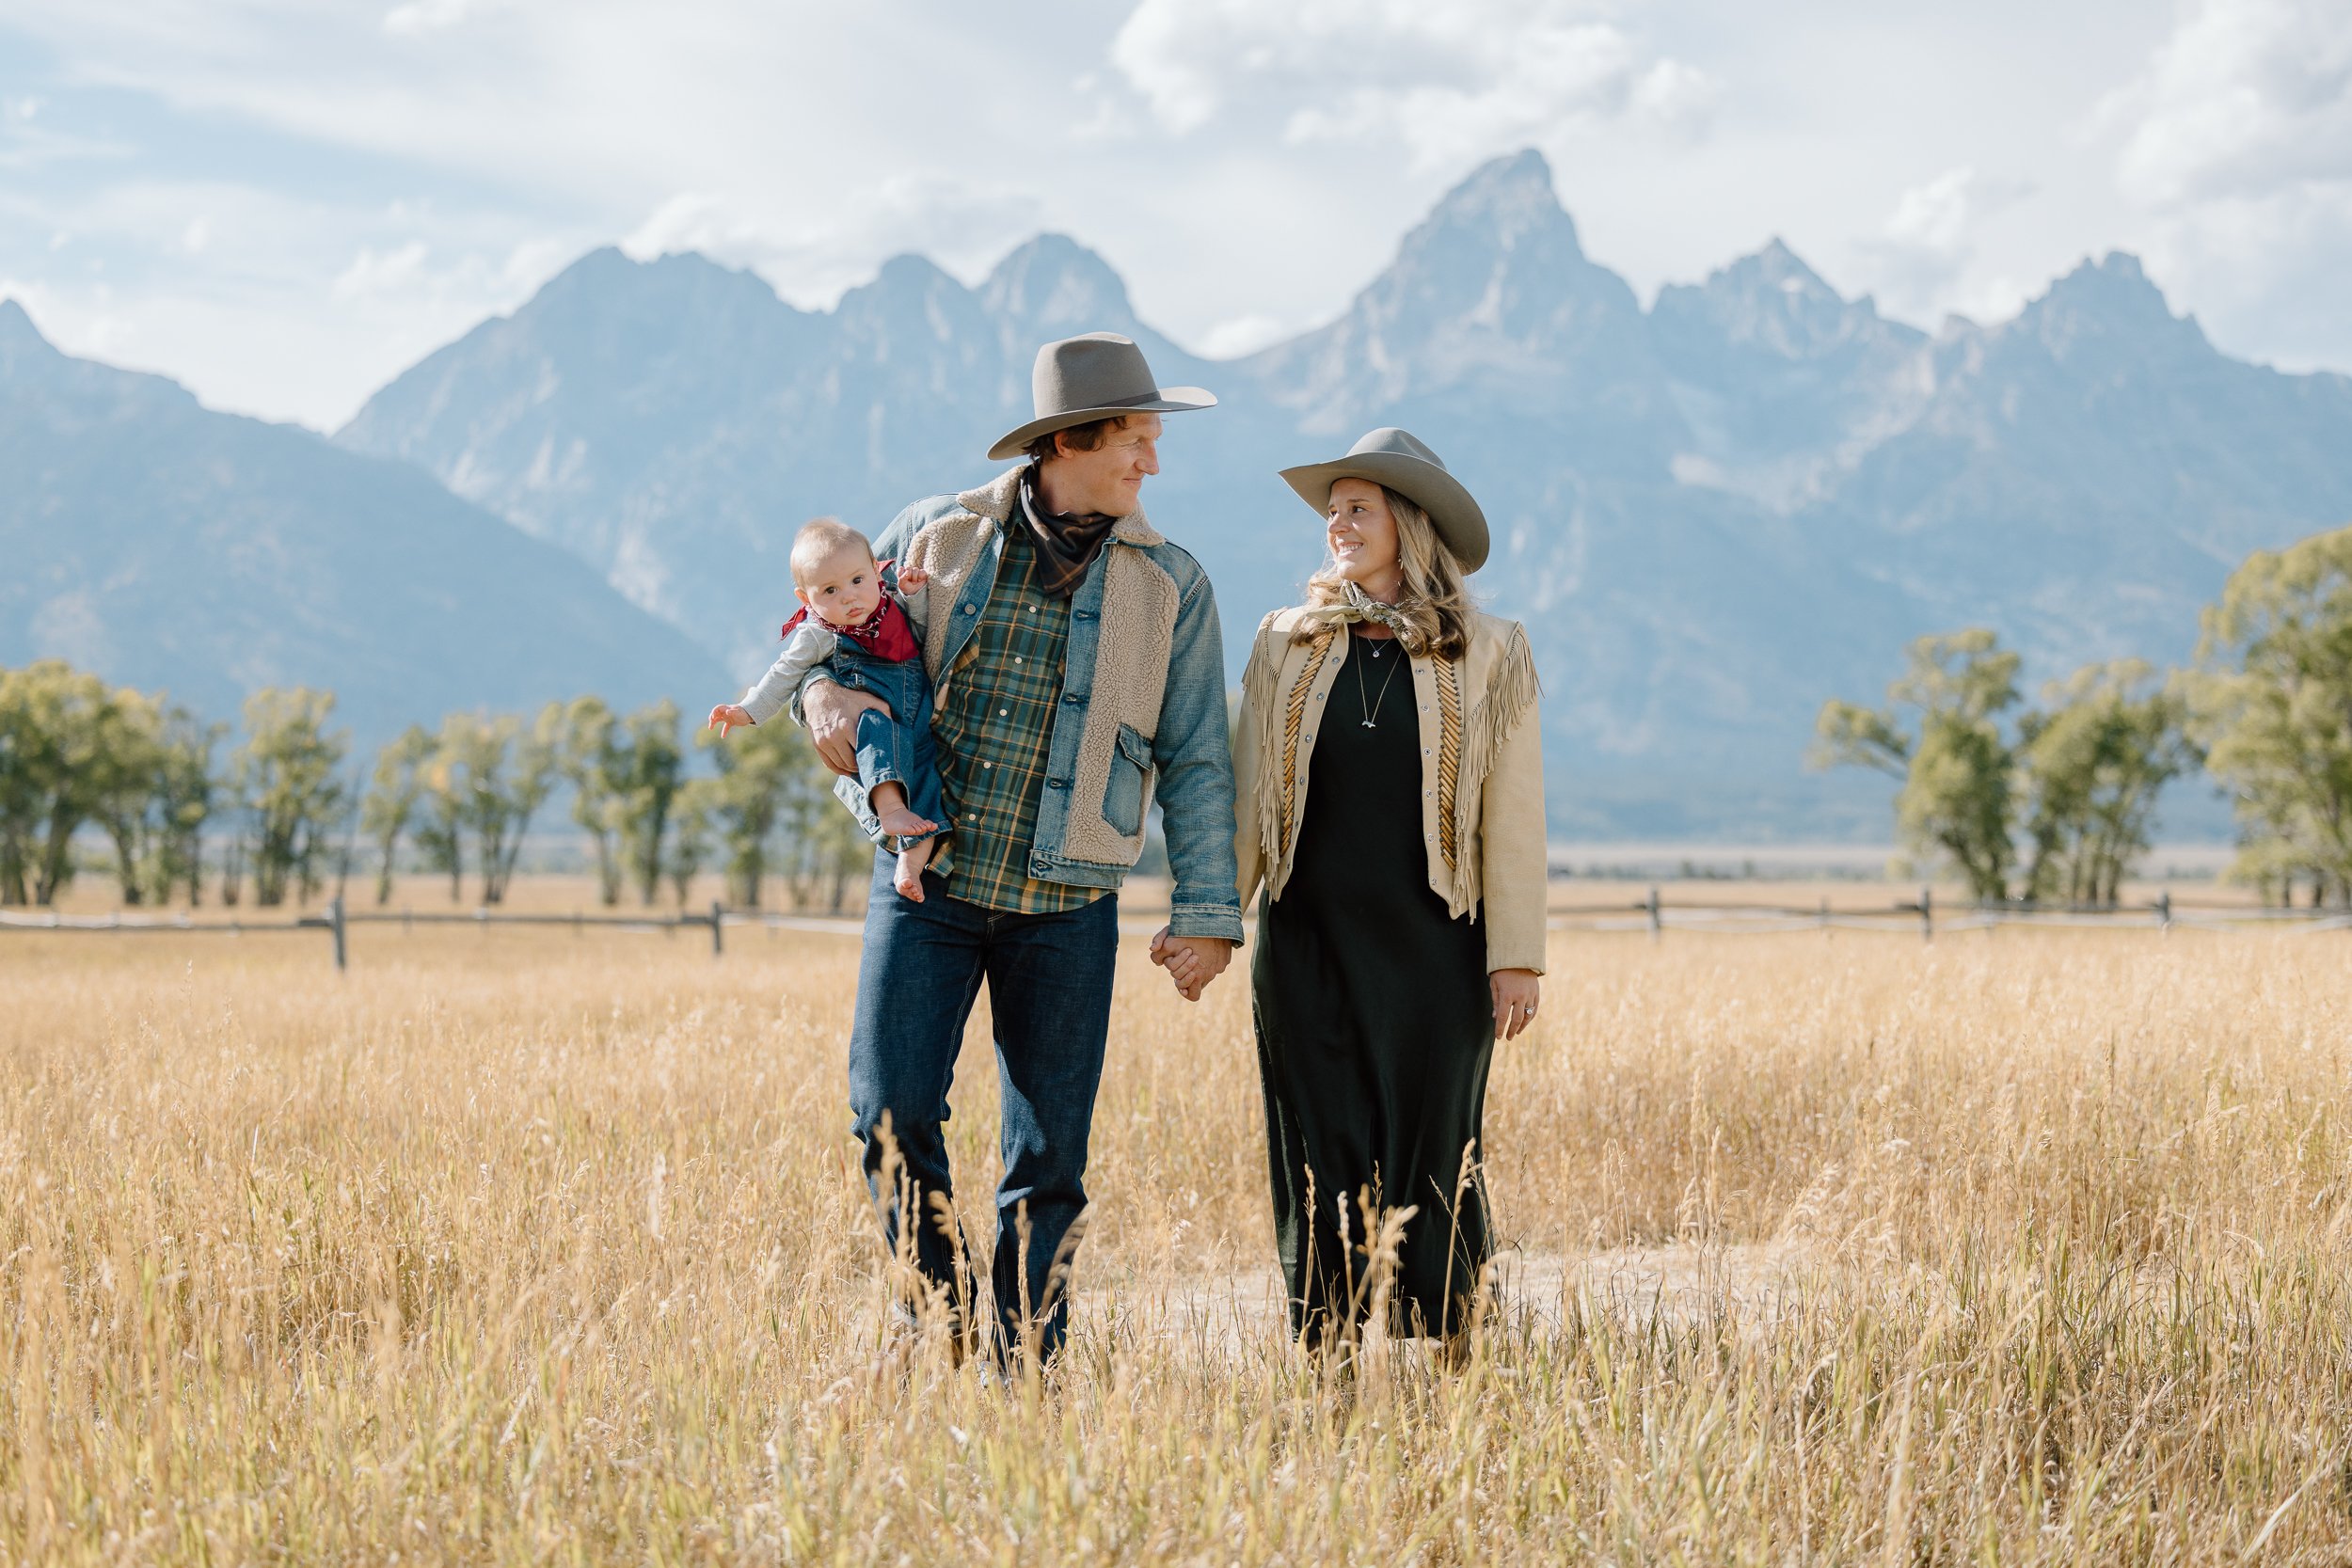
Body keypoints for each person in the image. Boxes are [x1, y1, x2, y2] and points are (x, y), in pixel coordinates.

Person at [797, 332, 1245, 1366]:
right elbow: (840, 649)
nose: (1152, 463)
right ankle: (944, 1322)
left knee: (1049, 1161)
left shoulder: (1172, 583)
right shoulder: (934, 534)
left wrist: (1208, 912)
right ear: (1069, 441)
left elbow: (1195, 762)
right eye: (1136, 439)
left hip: (1068, 905)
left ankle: (1024, 1364)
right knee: (888, 1113)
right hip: (929, 887)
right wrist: (816, 695)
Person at [1229, 427, 1546, 1354]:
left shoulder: (1491, 649)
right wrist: (1210, 917)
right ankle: (1321, 1356)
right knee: (1316, 1148)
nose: (1337, 522)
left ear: (1409, 523)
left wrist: (1516, 956)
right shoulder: (1282, 641)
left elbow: (1512, 815)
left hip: (1436, 947)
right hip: (1303, 939)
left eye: (1357, 507)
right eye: (1333, 508)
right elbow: (1249, 797)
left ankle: (1452, 1352)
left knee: (1433, 1148)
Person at [707, 516, 944, 900]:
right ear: (806, 598)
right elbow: (784, 674)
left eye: (857, 581)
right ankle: (888, 810)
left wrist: (914, 596)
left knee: (929, 791)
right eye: (830, 590)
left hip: (918, 718)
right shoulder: (819, 633)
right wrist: (746, 711)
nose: (849, 597)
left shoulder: (891, 603)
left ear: (875, 569)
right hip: (874, 718)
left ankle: (909, 867)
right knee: (878, 738)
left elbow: (920, 633)